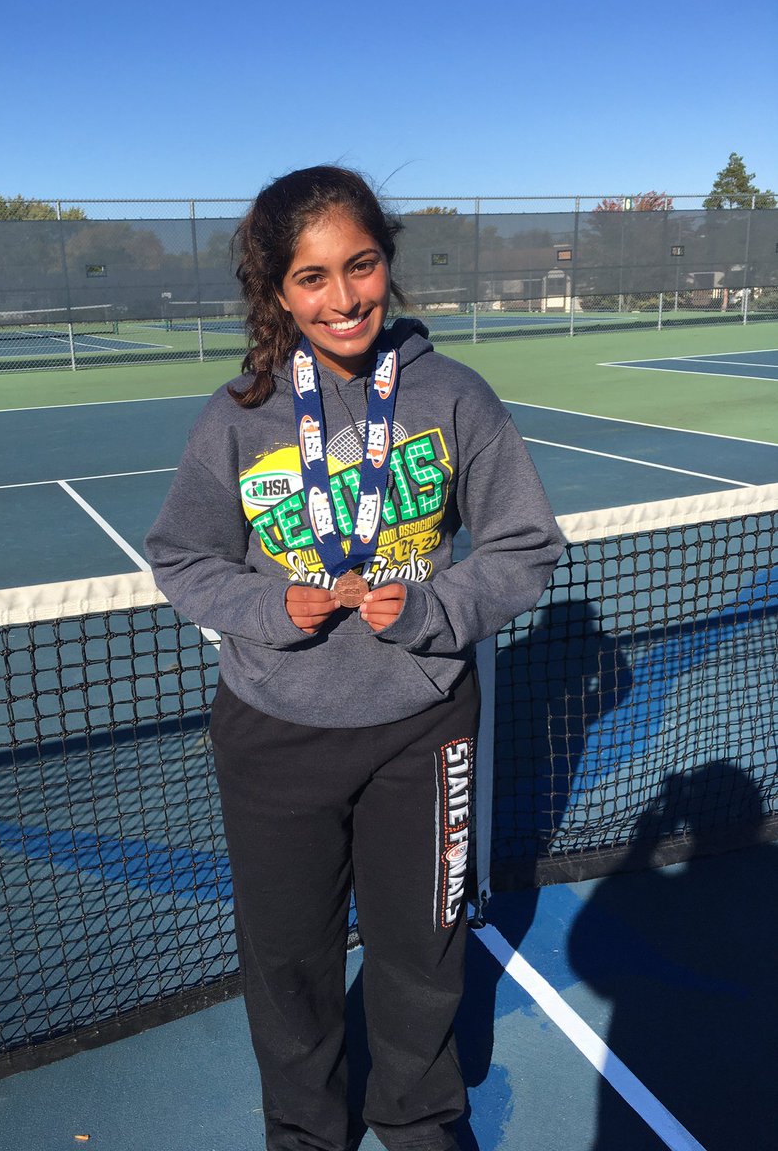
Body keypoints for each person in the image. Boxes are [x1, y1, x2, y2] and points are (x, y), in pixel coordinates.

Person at [145, 166, 564, 1151]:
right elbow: (180, 555)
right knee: (288, 967)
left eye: (361, 265)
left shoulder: (455, 397)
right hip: (274, 738)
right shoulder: (239, 414)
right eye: (312, 278)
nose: (343, 298)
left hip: (423, 732)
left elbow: (524, 545)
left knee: (423, 954)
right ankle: (306, 1135)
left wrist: (432, 610)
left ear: (388, 263)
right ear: (278, 293)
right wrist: (263, 604)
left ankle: (419, 1121)